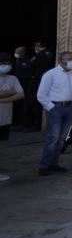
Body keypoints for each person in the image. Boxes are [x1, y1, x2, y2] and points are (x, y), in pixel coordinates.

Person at [36, 51, 72, 176]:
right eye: (68, 59)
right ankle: (44, 165)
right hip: (56, 108)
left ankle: (54, 163)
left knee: (62, 138)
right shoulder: (50, 74)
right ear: (61, 61)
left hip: (70, 107)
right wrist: (51, 108)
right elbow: (41, 95)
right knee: (53, 137)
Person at [0, 52, 24, 180]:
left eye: (8, 64)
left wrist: (3, 98)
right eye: (3, 64)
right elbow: (15, 92)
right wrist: (10, 92)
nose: (6, 66)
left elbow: (20, 94)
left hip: (5, 118)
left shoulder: (12, 79)